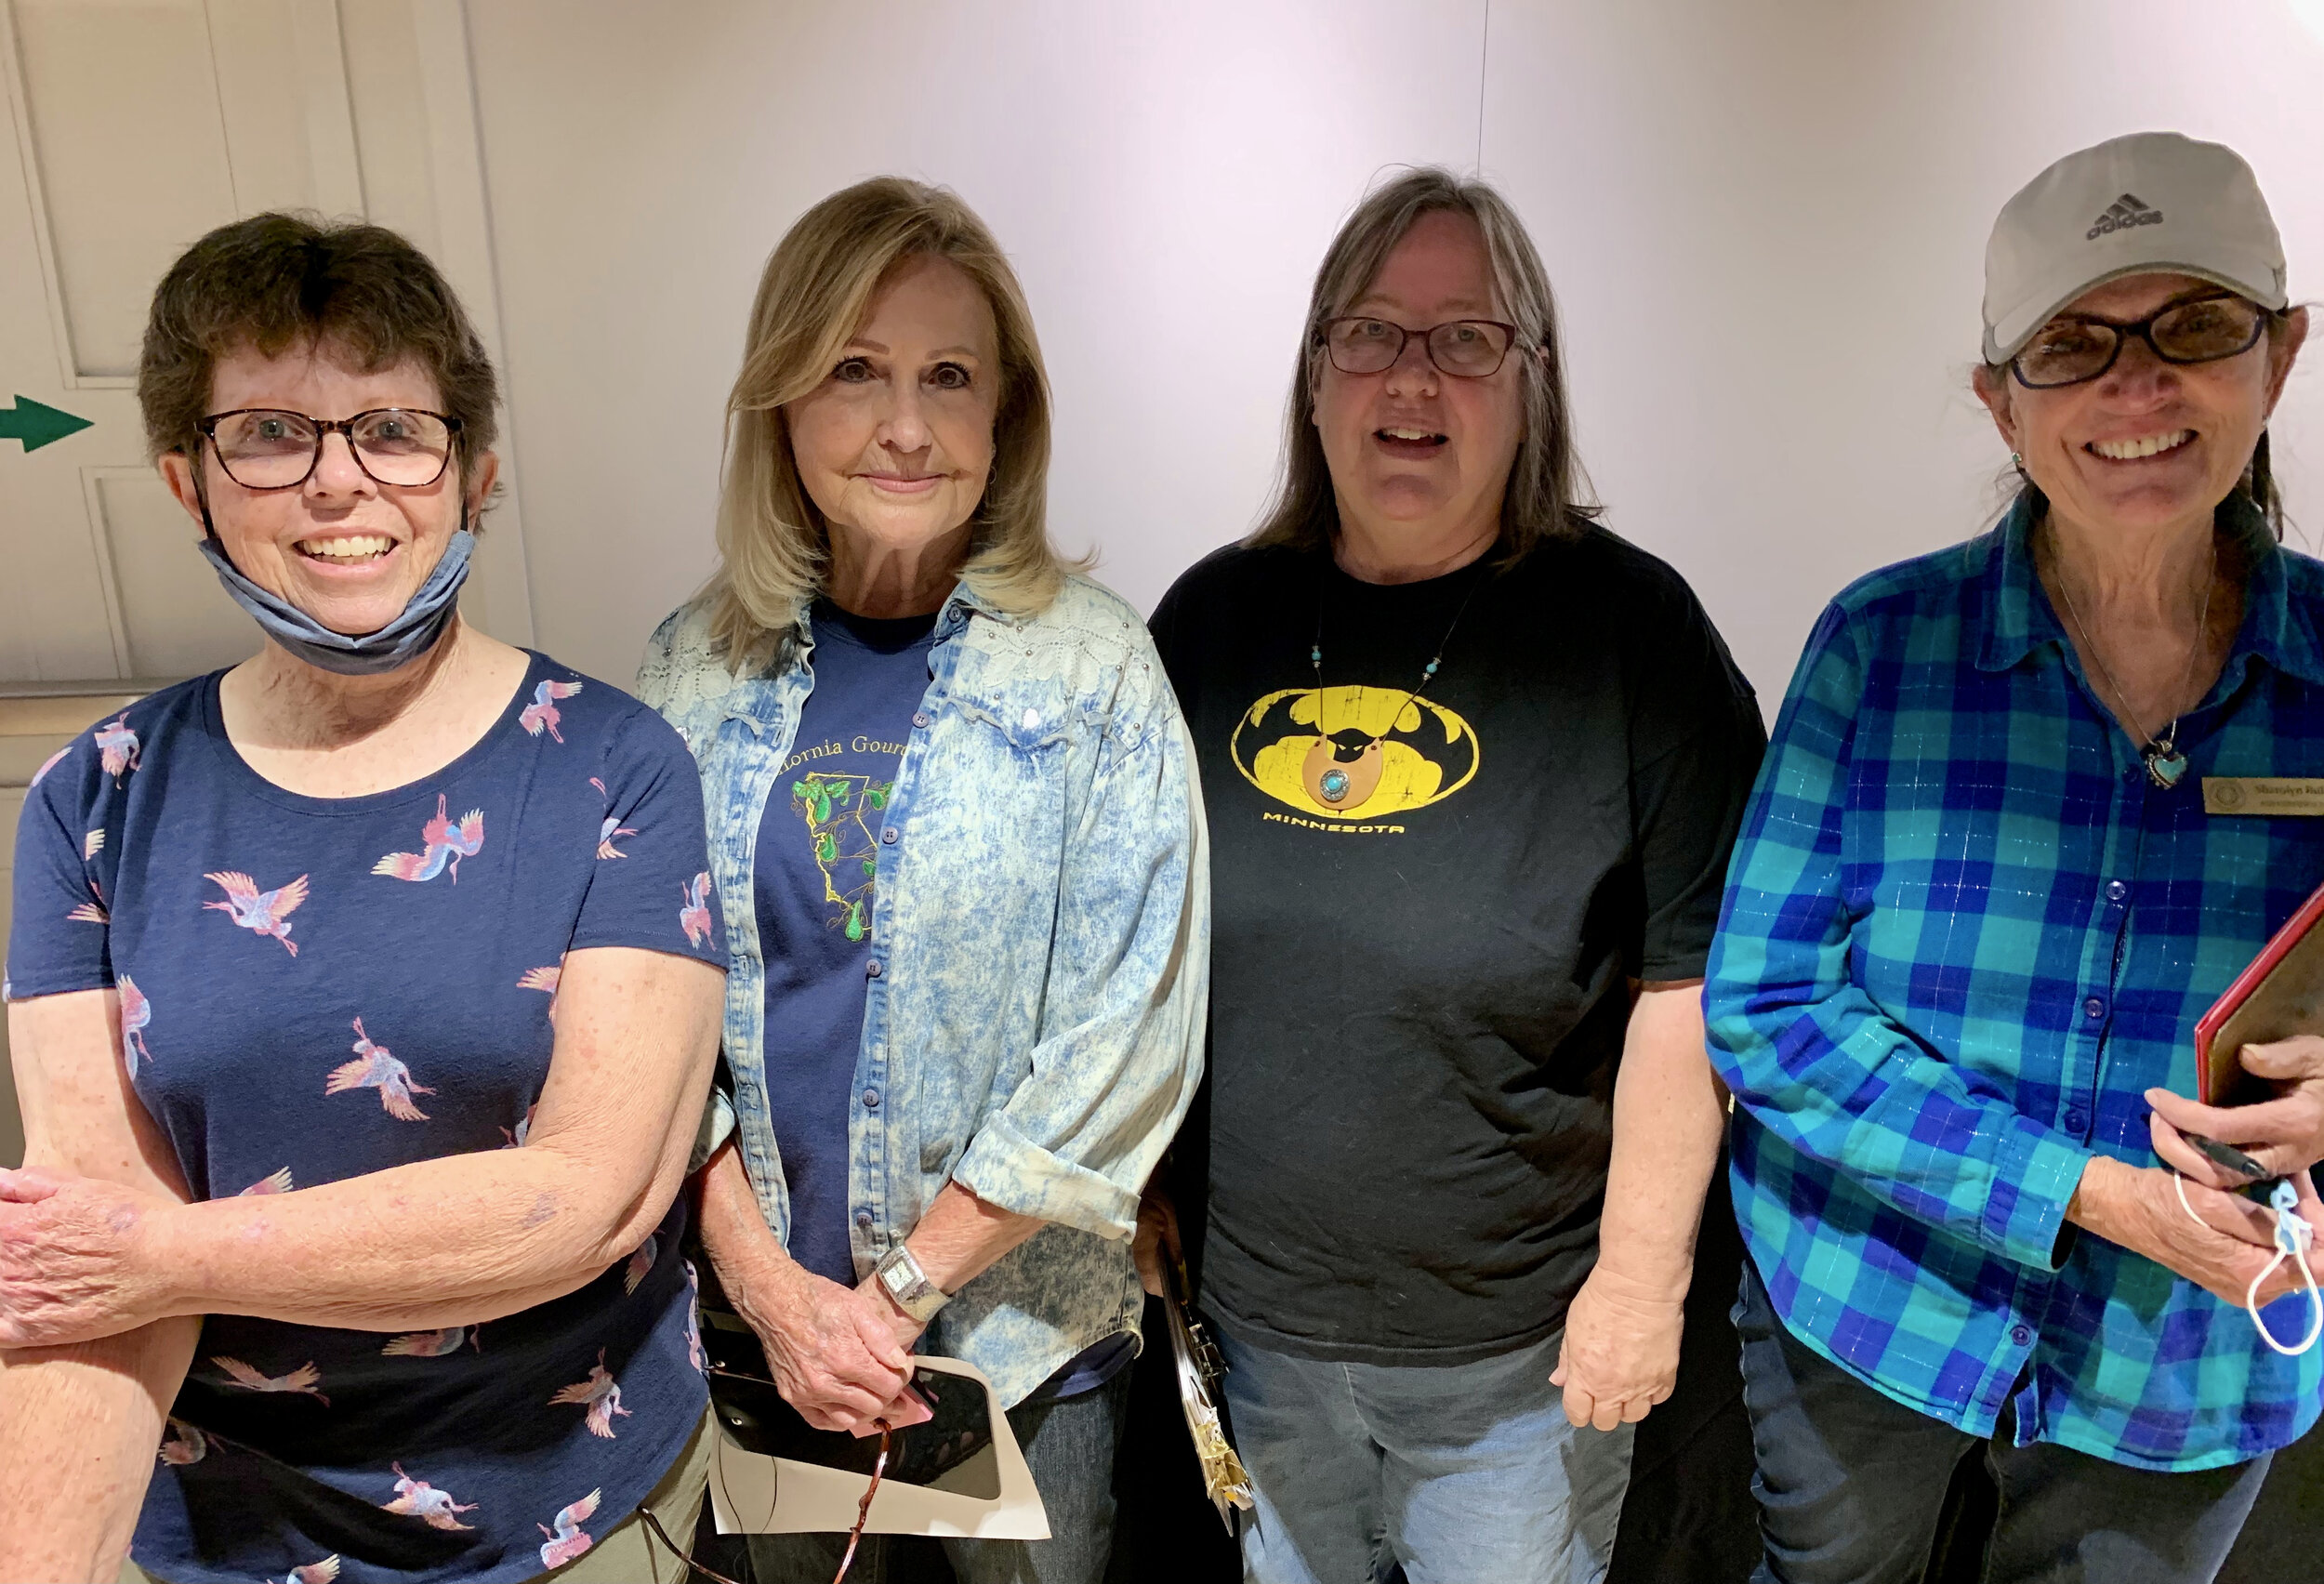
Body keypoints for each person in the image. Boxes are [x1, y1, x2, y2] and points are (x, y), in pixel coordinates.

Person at [0, 213, 728, 1584]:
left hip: (566, 1514)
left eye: (393, 430)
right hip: (224, 1529)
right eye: (270, 433)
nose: (340, 482)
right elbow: (90, 1256)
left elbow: (586, 1195)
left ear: (473, 474)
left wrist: (162, 1257)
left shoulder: (615, 769)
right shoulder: (97, 796)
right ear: (186, 478)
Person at [1705, 131, 2324, 1584]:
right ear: (2000, 401)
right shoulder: (1884, 648)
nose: (2137, 384)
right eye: (2075, 343)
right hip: (1870, 1306)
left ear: (2278, 358)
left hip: (2189, 1364)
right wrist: (2089, 1193)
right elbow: (1767, 1007)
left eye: (2194, 327)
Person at [1141, 166, 1765, 1584]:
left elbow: (1695, 984)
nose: (1411, 376)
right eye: (1370, 332)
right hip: (1261, 1332)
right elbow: (1138, 947)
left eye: (1465, 339)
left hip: (1518, 1360)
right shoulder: (1210, 622)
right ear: (1315, 378)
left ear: (1529, 384)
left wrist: (1642, 1282)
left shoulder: (1636, 639)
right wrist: (1140, 1187)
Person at [636, 177, 1208, 1584]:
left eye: (948, 375)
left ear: (1004, 416)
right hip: (771, 1353)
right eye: (855, 370)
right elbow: (645, 1026)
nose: (905, 423)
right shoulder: (690, 673)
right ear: (784, 404)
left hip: (1020, 1356)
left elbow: (1129, 1037)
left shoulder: (1096, 670)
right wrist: (778, 1300)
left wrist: (891, 1300)